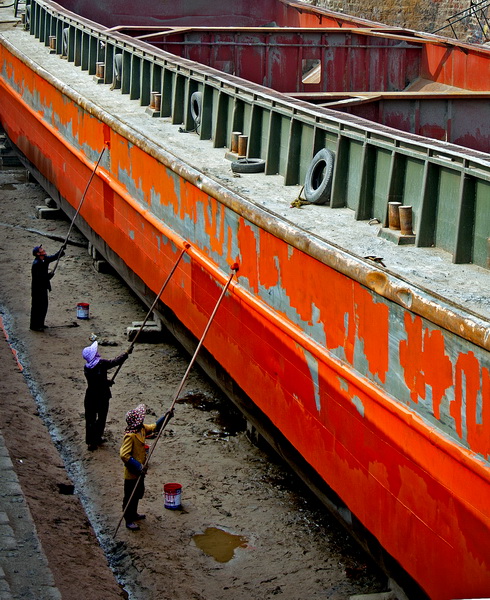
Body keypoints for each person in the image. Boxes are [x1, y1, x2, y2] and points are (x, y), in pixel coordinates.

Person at [120, 403, 170, 531]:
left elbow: (154, 427)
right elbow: (124, 455)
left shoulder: (141, 429)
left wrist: (167, 417)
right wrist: (137, 466)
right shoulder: (130, 436)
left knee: (137, 493)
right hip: (132, 472)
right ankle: (128, 519)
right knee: (129, 496)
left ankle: (134, 513)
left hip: (140, 471)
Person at [82, 340, 130, 451]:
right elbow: (115, 362)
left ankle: (91, 441)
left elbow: (96, 381)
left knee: (90, 419)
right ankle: (97, 437)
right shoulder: (101, 364)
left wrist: (107, 382)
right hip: (101, 396)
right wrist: (126, 354)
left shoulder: (87, 368)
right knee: (101, 418)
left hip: (90, 396)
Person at [30, 244, 65, 331]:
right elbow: (39, 279)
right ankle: (35, 326)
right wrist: (49, 276)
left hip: (43, 287)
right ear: (38, 254)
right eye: (41, 249)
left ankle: (40, 324)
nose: (43, 250)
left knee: (43, 306)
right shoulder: (36, 264)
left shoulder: (44, 259)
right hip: (37, 289)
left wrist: (61, 249)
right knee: (37, 307)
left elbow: (55, 257)